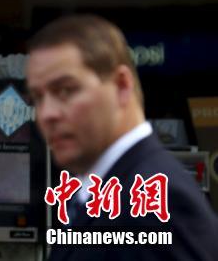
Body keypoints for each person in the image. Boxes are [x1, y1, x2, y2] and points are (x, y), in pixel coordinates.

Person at [26, 14, 218, 260]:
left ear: (122, 86)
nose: (46, 114)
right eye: (37, 98)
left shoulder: (159, 204)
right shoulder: (104, 191)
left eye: (65, 90)